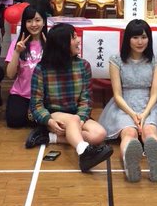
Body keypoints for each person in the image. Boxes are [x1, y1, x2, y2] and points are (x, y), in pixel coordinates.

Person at [24, 24, 113, 173]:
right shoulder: (42, 69)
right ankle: (84, 153)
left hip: (75, 115)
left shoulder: (83, 66)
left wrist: (81, 120)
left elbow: (86, 100)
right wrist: (49, 121)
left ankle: (49, 137)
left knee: (99, 135)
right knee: (73, 120)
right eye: (74, 37)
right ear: (62, 44)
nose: (78, 40)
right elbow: (36, 105)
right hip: (53, 115)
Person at [98, 20, 157, 182]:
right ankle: (129, 162)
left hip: (150, 104)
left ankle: (156, 164)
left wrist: (144, 114)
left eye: (144, 37)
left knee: (150, 131)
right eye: (135, 37)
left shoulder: (156, 60)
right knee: (129, 133)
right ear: (128, 39)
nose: (140, 42)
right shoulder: (116, 60)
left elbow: (154, 93)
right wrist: (133, 115)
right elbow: (117, 95)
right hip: (123, 104)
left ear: (149, 39)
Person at [5, 5, 47, 128]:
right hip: (21, 93)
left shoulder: (50, 43)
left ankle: (33, 114)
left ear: (44, 22)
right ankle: (32, 114)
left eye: (37, 20)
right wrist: (17, 52)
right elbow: (10, 74)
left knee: (47, 120)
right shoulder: (17, 43)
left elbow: (58, 73)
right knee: (14, 121)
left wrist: (51, 51)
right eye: (29, 21)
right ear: (24, 23)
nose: (33, 24)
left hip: (44, 95)